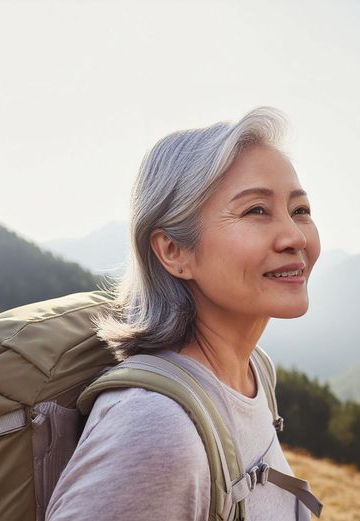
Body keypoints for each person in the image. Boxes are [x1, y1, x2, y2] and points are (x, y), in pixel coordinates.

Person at [45, 107, 321, 521]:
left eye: (299, 210)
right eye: (256, 211)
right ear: (174, 251)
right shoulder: (155, 428)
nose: (295, 236)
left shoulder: (254, 374)